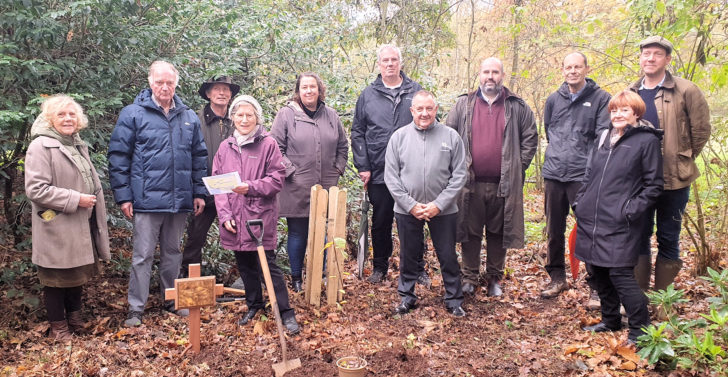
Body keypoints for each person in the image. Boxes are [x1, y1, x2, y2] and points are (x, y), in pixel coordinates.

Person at [109, 61, 208, 327]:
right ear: (150, 82)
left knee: (173, 252)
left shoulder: (188, 116)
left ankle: (171, 300)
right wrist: (124, 196)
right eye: (159, 82)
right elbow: (119, 157)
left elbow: (199, 157)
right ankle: (135, 309)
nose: (164, 87)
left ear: (176, 84)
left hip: (179, 200)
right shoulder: (133, 114)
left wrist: (199, 192)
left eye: (169, 83)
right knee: (142, 255)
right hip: (145, 200)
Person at [573, 90, 663, 346]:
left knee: (620, 275)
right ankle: (610, 320)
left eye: (624, 110)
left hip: (621, 221)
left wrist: (630, 209)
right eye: (614, 110)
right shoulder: (603, 137)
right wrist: (581, 201)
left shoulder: (646, 141)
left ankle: (640, 330)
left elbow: (654, 185)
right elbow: (589, 174)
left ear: (636, 113)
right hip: (592, 218)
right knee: (598, 272)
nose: (618, 115)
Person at [446, 57, 538, 297]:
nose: (490, 76)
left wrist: (518, 166)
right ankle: (469, 277)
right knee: (470, 230)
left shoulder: (517, 106)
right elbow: (449, 136)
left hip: (503, 183)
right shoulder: (463, 104)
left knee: (499, 232)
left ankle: (494, 278)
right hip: (469, 182)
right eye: (486, 72)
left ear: (502, 76)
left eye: (495, 72)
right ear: (479, 74)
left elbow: (530, 137)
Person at [628, 36, 711, 292]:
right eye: (646, 54)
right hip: (638, 182)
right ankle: (639, 299)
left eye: (656, 54)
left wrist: (682, 157)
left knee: (668, 237)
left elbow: (701, 130)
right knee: (638, 236)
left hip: (674, 180)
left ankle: (664, 300)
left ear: (667, 59)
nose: (650, 58)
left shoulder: (686, 90)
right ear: (640, 58)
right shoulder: (632, 93)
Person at [25, 94, 111, 340]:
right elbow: (35, 189)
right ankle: (59, 328)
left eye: (72, 114)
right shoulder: (40, 146)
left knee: (77, 273)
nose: (67, 118)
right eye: (61, 114)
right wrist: (76, 199)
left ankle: (74, 319)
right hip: (57, 223)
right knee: (55, 278)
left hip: (79, 223)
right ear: (50, 119)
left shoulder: (75, 143)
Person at [213, 95, 300, 334]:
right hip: (234, 217)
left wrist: (250, 187)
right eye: (239, 115)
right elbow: (219, 186)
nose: (244, 119)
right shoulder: (224, 148)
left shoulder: (268, 144)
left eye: (249, 115)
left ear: (257, 118)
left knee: (267, 266)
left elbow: (276, 180)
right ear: (232, 118)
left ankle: (285, 312)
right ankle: (254, 305)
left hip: (259, 216)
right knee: (244, 263)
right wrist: (224, 215)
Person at [384, 90, 467, 317]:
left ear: (436, 110)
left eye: (429, 108)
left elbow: (459, 175)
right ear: (412, 111)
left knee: (447, 255)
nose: (424, 113)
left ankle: (453, 299)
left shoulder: (451, 137)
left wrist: (439, 204)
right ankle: (406, 297)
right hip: (406, 209)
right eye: (419, 109)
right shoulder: (398, 138)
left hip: (443, 210)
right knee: (409, 255)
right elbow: (391, 177)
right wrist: (410, 205)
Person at [351, 44, 426, 284]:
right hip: (379, 171)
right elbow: (358, 131)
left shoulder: (415, 92)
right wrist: (363, 165)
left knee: (414, 220)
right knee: (380, 222)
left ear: (400, 63)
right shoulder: (368, 95)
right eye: (385, 60)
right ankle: (380, 267)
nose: (390, 64)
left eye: (394, 60)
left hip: (411, 171)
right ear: (379, 64)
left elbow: (428, 127)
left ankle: (417, 268)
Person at [540, 52, 611, 299]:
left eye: (577, 67)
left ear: (586, 69)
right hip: (554, 174)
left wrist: (591, 170)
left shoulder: (602, 99)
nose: (573, 71)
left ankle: (595, 287)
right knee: (554, 229)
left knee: (590, 230)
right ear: (562, 70)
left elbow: (603, 138)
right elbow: (550, 131)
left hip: (584, 176)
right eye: (568, 67)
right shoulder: (553, 100)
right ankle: (557, 278)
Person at [270, 72, 348, 292]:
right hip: (296, 186)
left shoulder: (331, 115)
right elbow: (275, 147)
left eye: (312, 87)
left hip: (326, 186)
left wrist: (337, 169)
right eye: (304, 87)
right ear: (298, 91)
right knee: (298, 232)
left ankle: (319, 276)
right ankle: (296, 278)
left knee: (323, 232)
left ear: (319, 89)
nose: (309, 91)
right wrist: (291, 171)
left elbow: (343, 146)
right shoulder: (286, 114)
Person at [180, 76, 240, 276]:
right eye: (217, 89)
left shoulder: (238, 120)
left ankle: (250, 285)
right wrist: (195, 189)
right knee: (195, 240)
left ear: (231, 94)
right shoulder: (194, 120)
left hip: (233, 193)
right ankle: (191, 286)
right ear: (208, 94)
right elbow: (187, 156)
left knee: (243, 237)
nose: (222, 93)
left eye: (226, 89)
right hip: (203, 192)